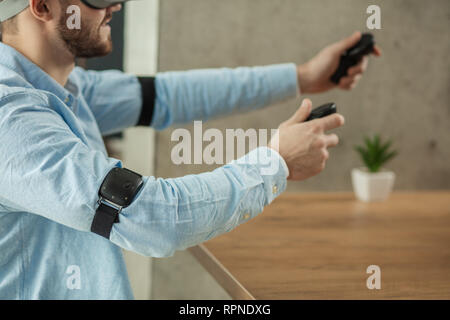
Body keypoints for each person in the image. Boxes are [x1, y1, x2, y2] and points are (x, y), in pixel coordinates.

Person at [0, 0, 381, 299]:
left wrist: (302, 77)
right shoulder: (12, 118)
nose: (116, 6)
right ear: (43, 6)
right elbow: (151, 216)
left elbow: (166, 96)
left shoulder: (63, 86)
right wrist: (275, 163)